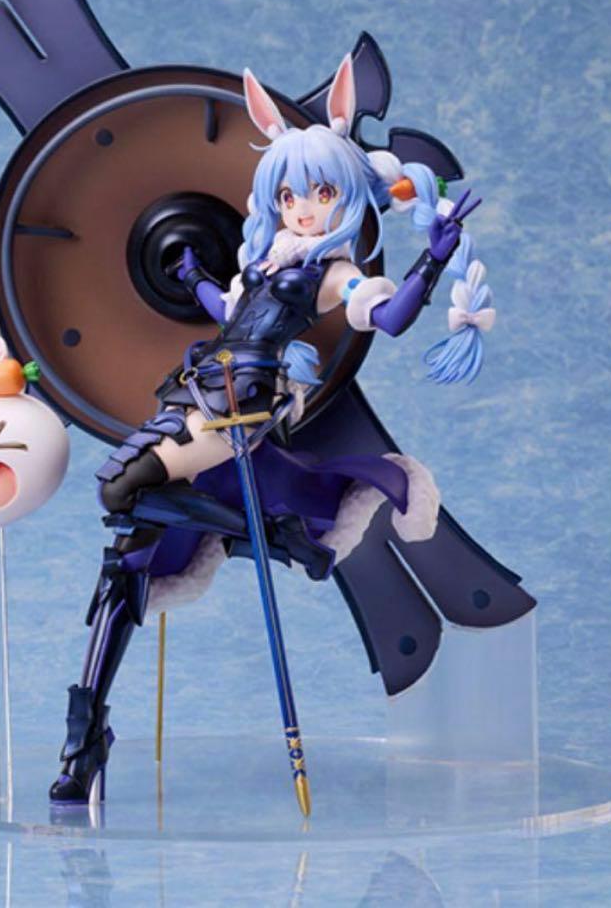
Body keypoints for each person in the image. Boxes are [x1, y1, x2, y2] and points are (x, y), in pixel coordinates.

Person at [49, 55, 490, 804]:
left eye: (320, 193)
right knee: (126, 559)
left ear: (344, 196)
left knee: (119, 486)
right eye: (289, 194)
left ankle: (269, 534)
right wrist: (193, 279)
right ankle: (86, 738)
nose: (303, 207)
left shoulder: (334, 273)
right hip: (199, 389)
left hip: (244, 406)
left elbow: (388, 319)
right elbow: (232, 317)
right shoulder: (264, 261)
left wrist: (430, 262)